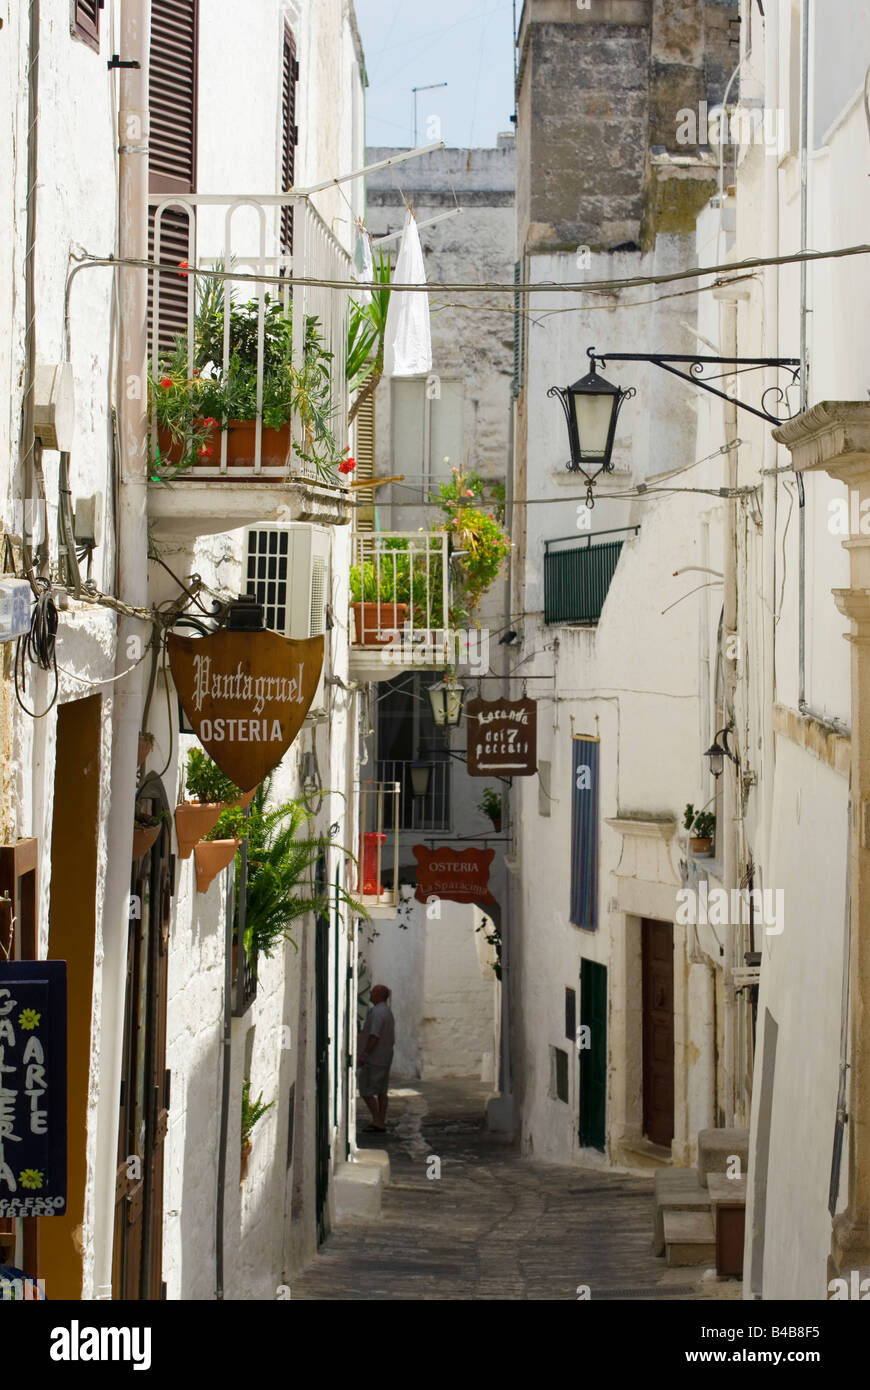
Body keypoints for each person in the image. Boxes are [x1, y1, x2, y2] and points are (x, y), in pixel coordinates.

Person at [357, 984, 395, 1133]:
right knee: (381, 1091)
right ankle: (381, 1120)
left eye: (373, 992)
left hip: (375, 1058)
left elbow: (374, 1035)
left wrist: (365, 1053)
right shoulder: (387, 1011)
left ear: (380, 995)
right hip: (385, 1057)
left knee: (366, 1090)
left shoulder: (378, 1013)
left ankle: (378, 1120)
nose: (370, 994)